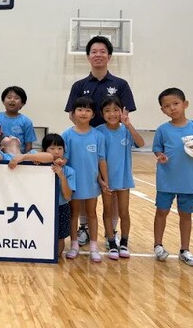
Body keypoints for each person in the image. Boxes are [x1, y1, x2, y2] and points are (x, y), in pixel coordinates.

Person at [64, 36, 137, 245]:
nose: (98, 55)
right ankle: (84, 227)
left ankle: (111, 232)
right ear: (88, 56)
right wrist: (86, 132)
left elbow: (124, 114)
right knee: (85, 186)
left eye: (102, 51)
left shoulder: (120, 84)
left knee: (110, 188)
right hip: (86, 144)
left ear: (109, 56)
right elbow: (72, 114)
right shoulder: (79, 85)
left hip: (112, 146)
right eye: (94, 51)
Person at [153, 87, 193, 267]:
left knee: (186, 215)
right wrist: (160, 156)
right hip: (166, 180)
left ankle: (185, 250)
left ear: (185, 104)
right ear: (162, 110)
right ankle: (158, 245)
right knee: (161, 212)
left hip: (189, 181)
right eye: (167, 106)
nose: (172, 108)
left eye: (176, 103)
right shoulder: (162, 130)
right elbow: (157, 149)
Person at [62, 97, 112, 263]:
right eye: (80, 109)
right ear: (73, 113)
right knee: (74, 214)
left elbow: (101, 160)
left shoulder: (98, 136)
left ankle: (93, 247)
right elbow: (64, 158)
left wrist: (104, 180)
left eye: (88, 110)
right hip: (74, 183)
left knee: (92, 213)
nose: (83, 113)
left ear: (93, 114)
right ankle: (74, 245)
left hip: (91, 182)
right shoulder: (67, 135)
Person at [96, 96, 145, 258]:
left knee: (124, 212)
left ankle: (124, 242)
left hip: (123, 178)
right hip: (107, 180)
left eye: (116, 110)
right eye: (107, 111)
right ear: (102, 114)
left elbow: (141, 143)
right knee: (108, 211)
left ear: (122, 111)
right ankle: (111, 241)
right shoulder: (99, 132)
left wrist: (128, 124)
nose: (112, 114)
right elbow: (98, 159)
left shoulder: (126, 130)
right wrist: (102, 180)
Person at [43, 134, 75, 258]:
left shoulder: (69, 171)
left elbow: (67, 196)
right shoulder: (37, 167)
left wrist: (61, 176)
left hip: (61, 208)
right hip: (42, 207)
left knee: (60, 238)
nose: (56, 152)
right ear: (45, 150)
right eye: (52, 148)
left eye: (60, 148)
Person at [0, 86, 37, 153]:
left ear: (22, 103)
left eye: (16, 98)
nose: (12, 100)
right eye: (9, 97)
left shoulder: (26, 122)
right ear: (3, 101)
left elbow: (28, 145)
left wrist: (26, 158)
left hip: (19, 157)